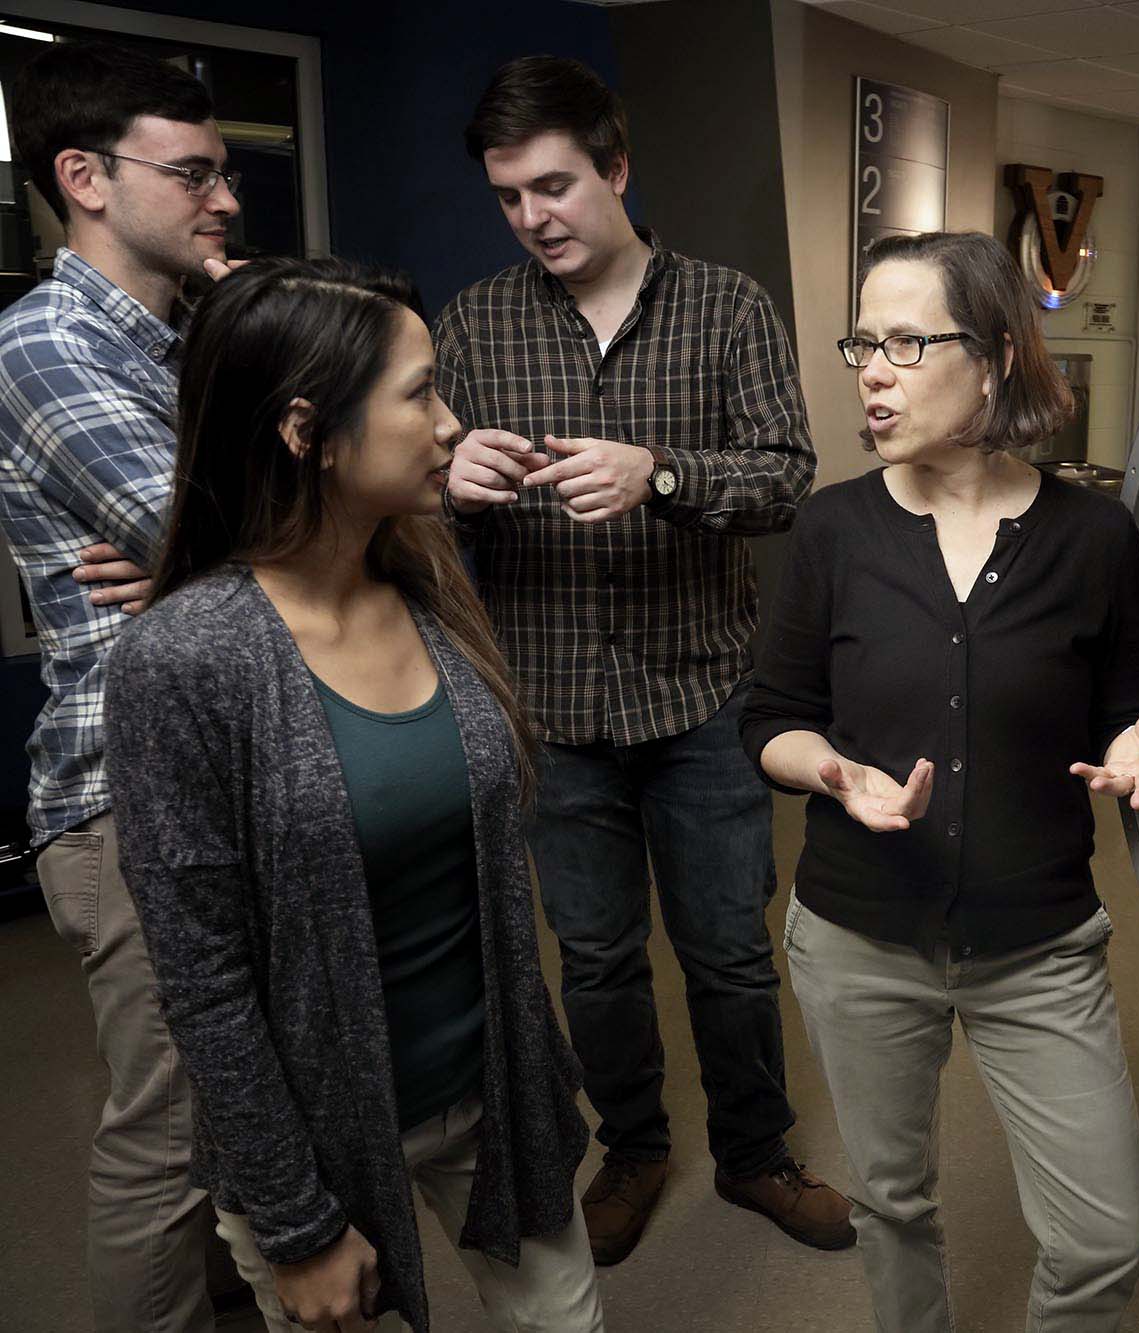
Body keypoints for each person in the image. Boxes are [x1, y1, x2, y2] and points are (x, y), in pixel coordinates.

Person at [103, 257, 603, 1333]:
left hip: (491, 1097)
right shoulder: (184, 660)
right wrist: (296, 1225)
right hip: (319, 1141)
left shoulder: (425, 585)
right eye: (421, 392)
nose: (451, 423)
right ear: (304, 428)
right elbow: (204, 983)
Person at [741, 230, 1139, 1331]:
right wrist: (834, 774)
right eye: (863, 341)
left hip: (1037, 947)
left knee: (1101, 1237)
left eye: (907, 340)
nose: (873, 369)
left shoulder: (1093, 535)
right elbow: (772, 721)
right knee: (891, 1204)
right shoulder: (832, 529)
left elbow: (1130, 692)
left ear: (992, 359)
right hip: (857, 941)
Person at [437, 55, 844, 1262]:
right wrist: (446, 487)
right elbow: (408, 506)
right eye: (509, 196)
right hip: (550, 710)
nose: (532, 217)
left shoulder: (728, 307)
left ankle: (758, 1154)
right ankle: (633, 1147)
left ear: (616, 168)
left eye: (554, 185)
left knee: (726, 948)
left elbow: (785, 477)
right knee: (599, 958)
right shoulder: (471, 324)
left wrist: (659, 474)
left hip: (699, 700)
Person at [0, 42, 246, 1332]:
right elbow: (203, 539)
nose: (226, 198)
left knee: (244, 1110)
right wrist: (232, 549)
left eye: (226, 170)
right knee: (165, 1143)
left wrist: (232, 553)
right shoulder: (41, 346)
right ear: (85, 176)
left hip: (243, 768)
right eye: (194, 171)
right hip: (130, 798)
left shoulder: (204, 328)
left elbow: (255, 547)